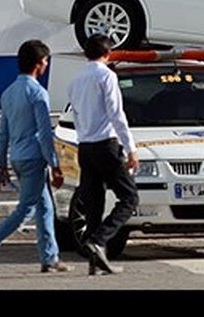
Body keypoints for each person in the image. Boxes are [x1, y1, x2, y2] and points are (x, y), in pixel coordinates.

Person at [0, 39, 68, 278]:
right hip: (34, 158)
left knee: (45, 207)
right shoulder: (38, 93)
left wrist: (2, 164)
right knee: (26, 209)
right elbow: (44, 133)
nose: (46, 65)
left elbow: (3, 133)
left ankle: (49, 257)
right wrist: (55, 164)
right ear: (38, 64)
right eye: (45, 61)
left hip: (17, 157)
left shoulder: (9, 93)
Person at [67, 34, 139, 276]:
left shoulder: (75, 81)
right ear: (108, 54)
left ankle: (96, 261)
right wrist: (131, 148)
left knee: (94, 203)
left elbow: (76, 115)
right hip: (105, 144)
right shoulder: (106, 76)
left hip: (85, 146)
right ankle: (98, 240)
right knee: (129, 198)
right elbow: (116, 114)